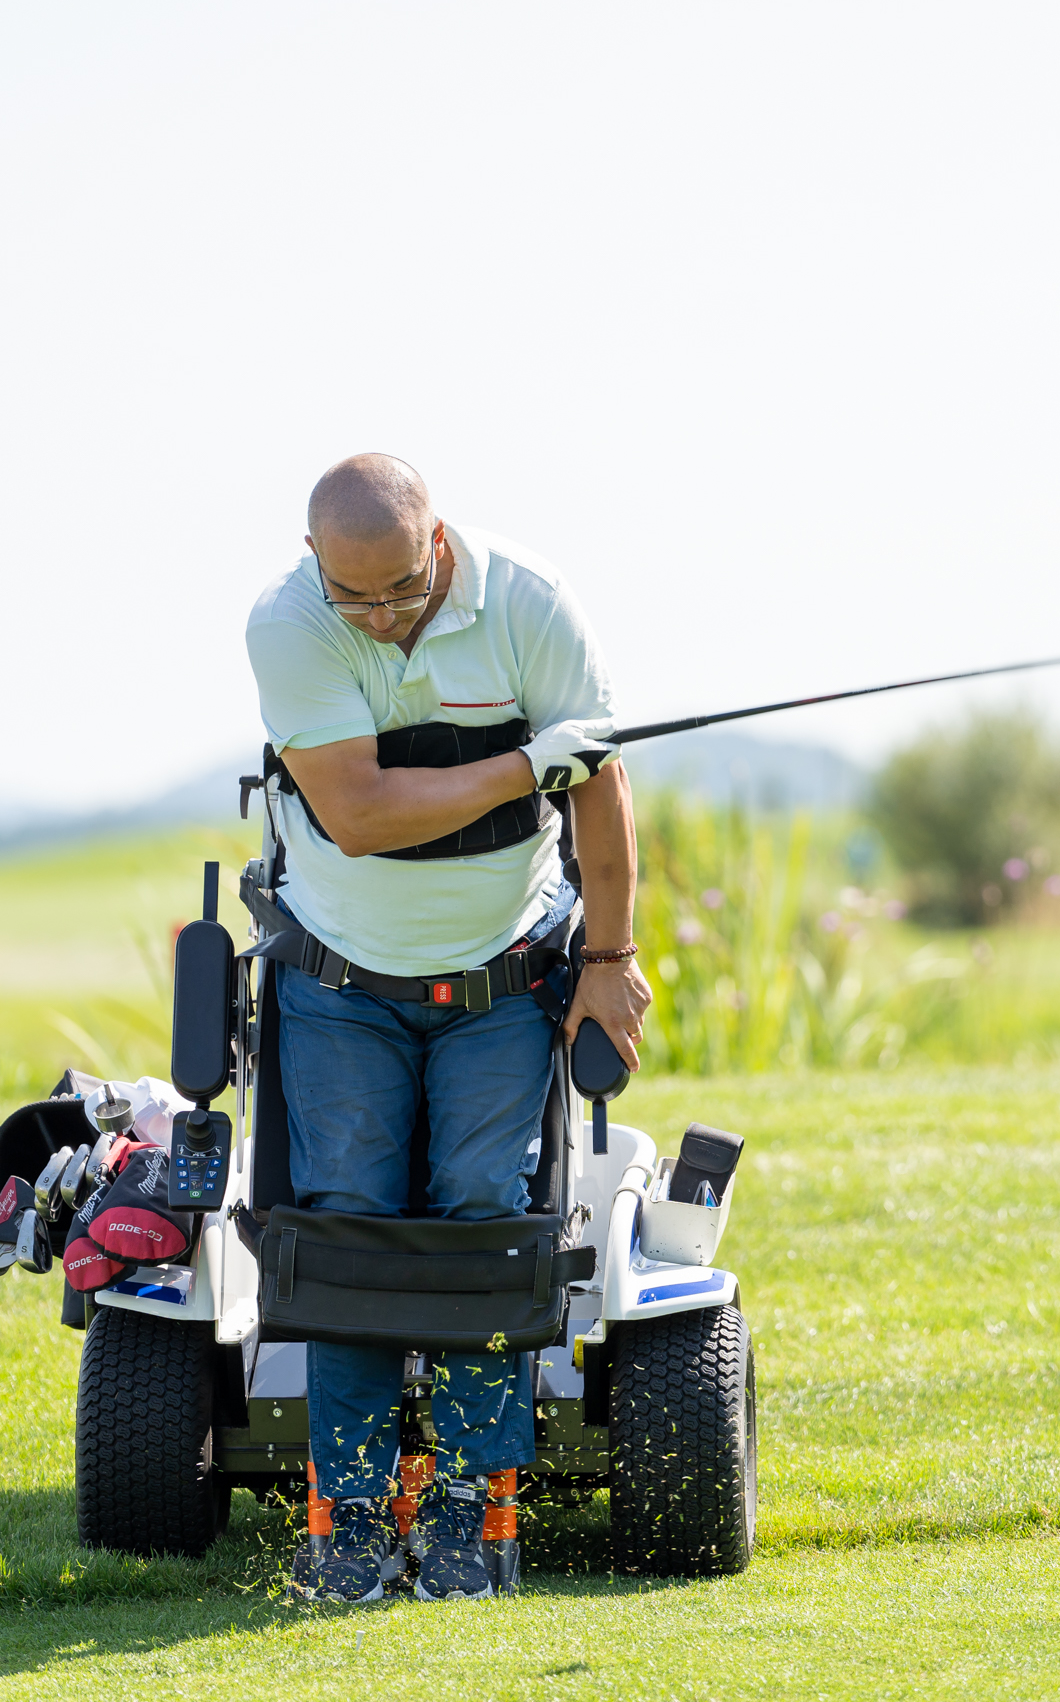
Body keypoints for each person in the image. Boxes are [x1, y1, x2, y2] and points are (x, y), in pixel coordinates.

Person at [244, 452, 652, 1602]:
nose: (377, 619)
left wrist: (611, 959)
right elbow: (362, 817)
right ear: (314, 560)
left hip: (502, 977)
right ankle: (354, 1520)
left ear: (438, 547)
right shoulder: (289, 624)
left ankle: (475, 1509)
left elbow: (603, 797)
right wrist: (527, 762)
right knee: (347, 1232)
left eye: (400, 593)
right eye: (353, 595)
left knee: (485, 1224)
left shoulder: (528, 605)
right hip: (339, 983)